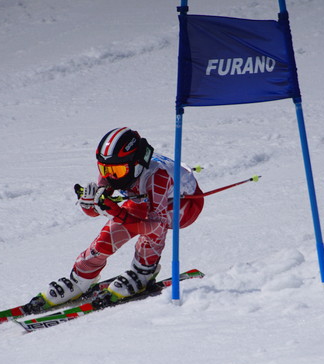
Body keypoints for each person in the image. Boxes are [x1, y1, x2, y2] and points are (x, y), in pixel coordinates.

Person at [25, 127, 203, 313]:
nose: (109, 176)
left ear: (136, 164)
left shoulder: (156, 176)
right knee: (113, 231)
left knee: (148, 222)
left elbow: (155, 225)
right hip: (145, 200)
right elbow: (96, 210)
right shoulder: (114, 168)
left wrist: (118, 213)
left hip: (185, 205)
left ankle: (144, 271)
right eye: (104, 169)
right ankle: (80, 278)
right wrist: (89, 204)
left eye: (116, 171)